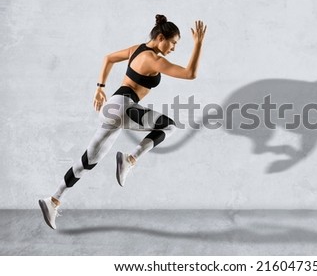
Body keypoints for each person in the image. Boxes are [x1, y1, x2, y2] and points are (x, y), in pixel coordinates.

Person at [38, 15, 207, 230]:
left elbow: (108, 58)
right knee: (169, 125)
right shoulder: (154, 59)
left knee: (87, 162)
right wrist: (199, 44)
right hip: (123, 107)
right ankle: (131, 158)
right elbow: (190, 73)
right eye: (173, 43)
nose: (174, 48)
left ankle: (53, 200)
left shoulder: (137, 49)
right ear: (161, 37)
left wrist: (100, 87)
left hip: (113, 108)